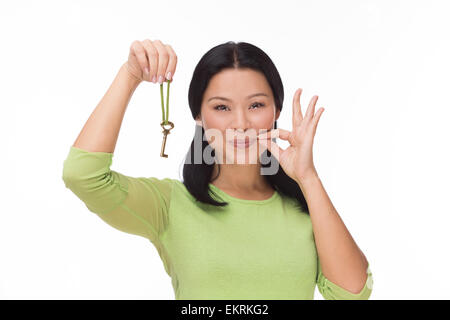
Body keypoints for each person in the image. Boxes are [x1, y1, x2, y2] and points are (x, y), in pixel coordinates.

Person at [62, 39, 373, 300]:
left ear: (276, 111)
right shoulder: (170, 204)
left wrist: (308, 178)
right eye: (222, 107)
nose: (240, 123)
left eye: (255, 105)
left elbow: (352, 293)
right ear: (199, 116)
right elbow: (83, 176)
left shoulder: (307, 209)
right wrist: (130, 74)